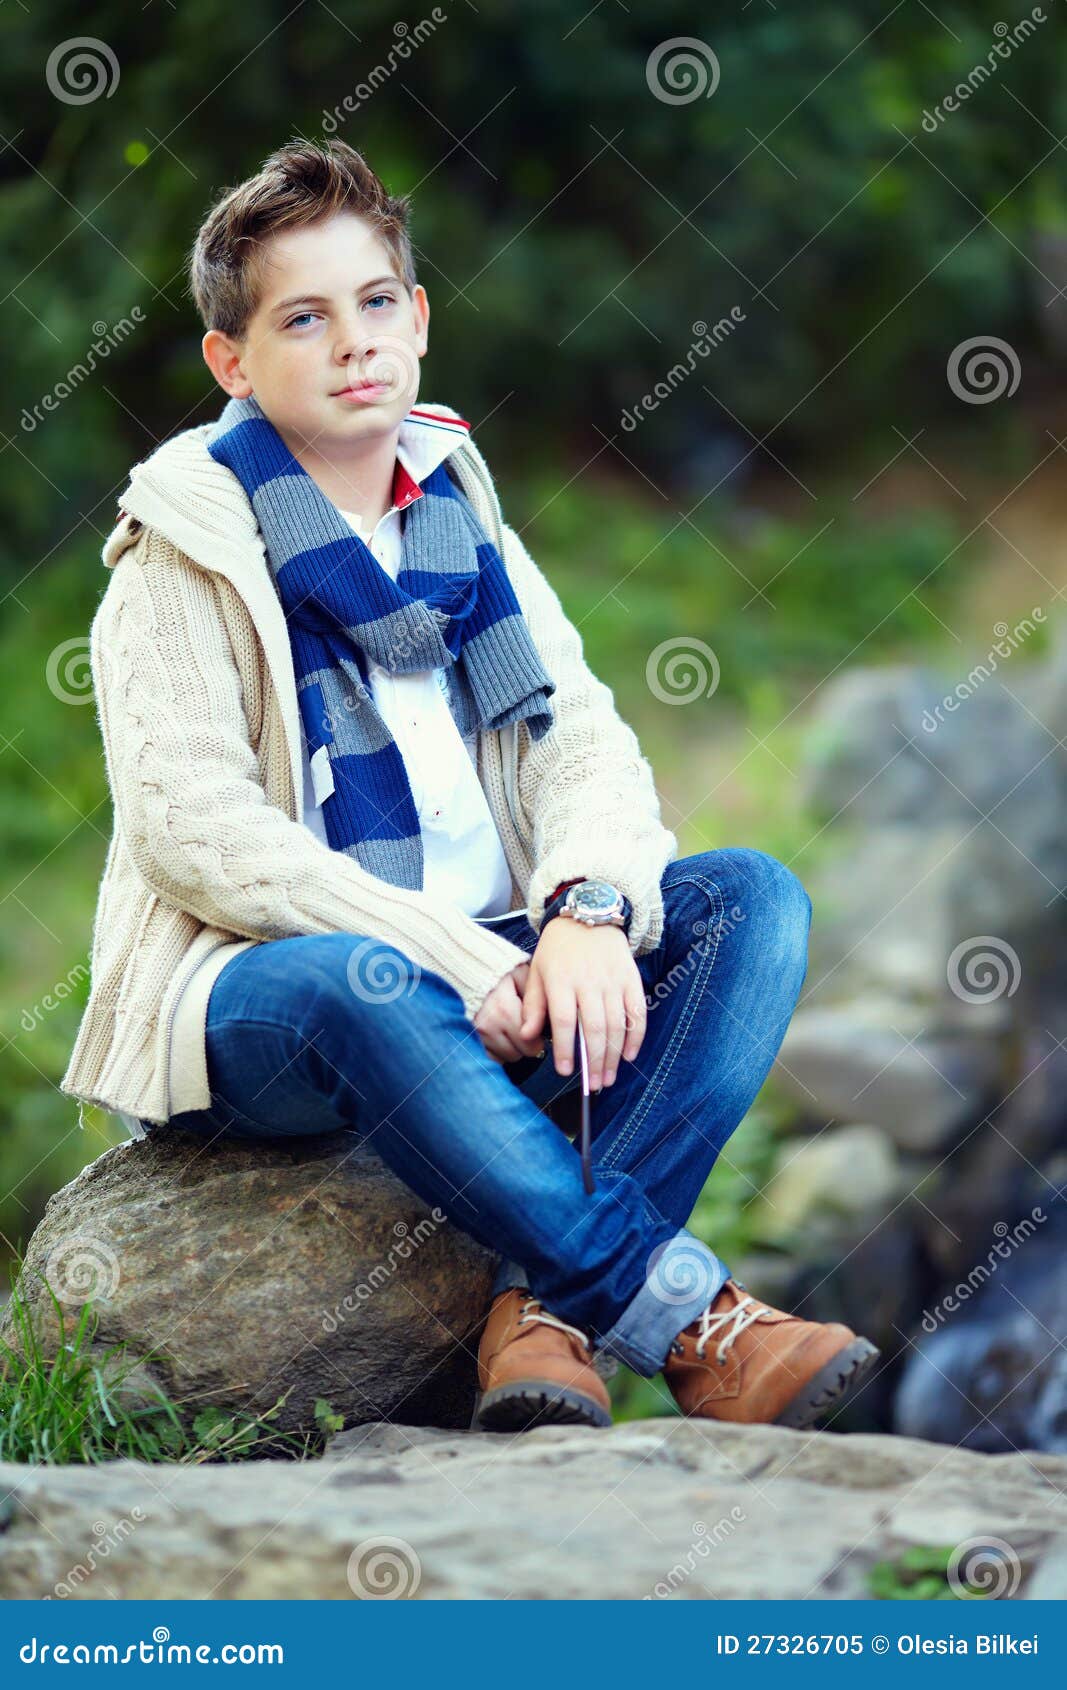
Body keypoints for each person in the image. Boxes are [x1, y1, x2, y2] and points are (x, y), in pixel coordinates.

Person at [60, 137, 879, 1434]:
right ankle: (690, 1320)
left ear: (419, 318)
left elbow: (582, 742)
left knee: (750, 901)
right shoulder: (179, 552)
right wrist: (448, 954)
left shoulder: (457, 514)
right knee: (359, 977)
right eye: (305, 318)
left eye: (377, 303)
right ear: (234, 360)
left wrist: (588, 910)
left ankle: (541, 1312)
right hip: (273, 994)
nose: (354, 343)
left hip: (493, 961)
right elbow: (196, 833)